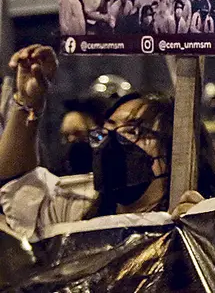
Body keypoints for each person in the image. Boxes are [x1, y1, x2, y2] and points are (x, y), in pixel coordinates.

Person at [0, 46, 173, 240]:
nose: (113, 140)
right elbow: (17, 182)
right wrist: (28, 103)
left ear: (171, 149)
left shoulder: (184, 222)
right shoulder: (76, 211)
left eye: (132, 131)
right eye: (106, 130)